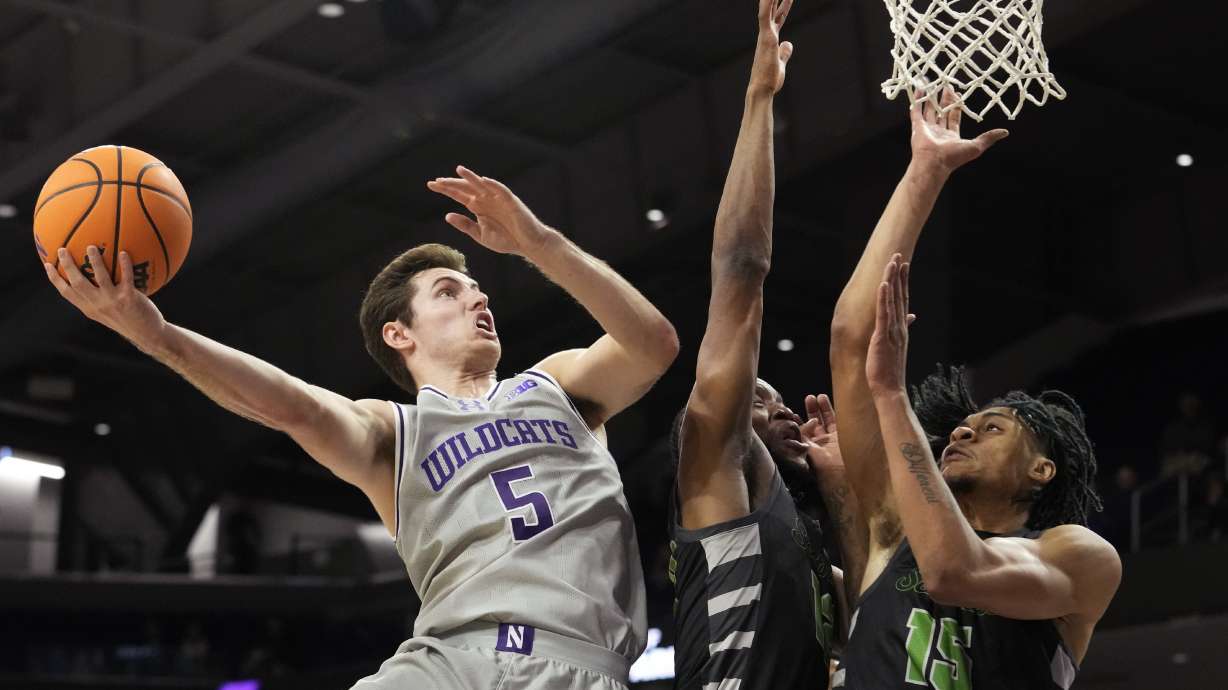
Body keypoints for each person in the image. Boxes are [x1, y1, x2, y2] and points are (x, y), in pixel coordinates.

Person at [43, 164, 679, 689]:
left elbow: (653, 344)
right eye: (450, 292)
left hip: (576, 665)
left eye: (478, 288)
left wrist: (538, 241)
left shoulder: (559, 386)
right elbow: (291, 406)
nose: (479, 298)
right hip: (446, 664)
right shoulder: (392, 433)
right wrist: (156, 336)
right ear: (399, 333)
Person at [829, 93, 1121, 688]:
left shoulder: (1078, 558)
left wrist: (891, 395)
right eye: (967, 425)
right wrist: (925, 173)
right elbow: (851, 340)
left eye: (993, 428)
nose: (963, 429)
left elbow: (953, 572)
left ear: (1042, 471)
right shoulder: (892, 526)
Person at [666, 2, 857, 688]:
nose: (781, 410)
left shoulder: (806, 552)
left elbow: (879, 625)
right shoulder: (715, 462)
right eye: (758, 400)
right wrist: (758, 100)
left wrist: (838, 487)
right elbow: (742, 272)